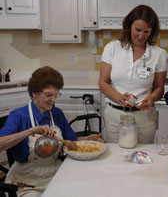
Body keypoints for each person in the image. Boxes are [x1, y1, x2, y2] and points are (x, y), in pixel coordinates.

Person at [0, 66, 102, 197]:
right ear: (34, 93)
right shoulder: (19, 116)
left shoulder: (56, 113)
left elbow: (70, 141)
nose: (53, 100)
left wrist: (88, 139)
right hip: (26, 178)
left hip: (55, 173)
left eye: (56, 95)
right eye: (48, 95)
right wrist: (30, 131)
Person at [99, 5, 168, 143]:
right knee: (115, 158)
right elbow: (103, 82)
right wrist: (119, 97)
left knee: (142, 158)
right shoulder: (112, 48)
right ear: (129, 26)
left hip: (144, 118)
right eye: (137, 30)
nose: (141, 36)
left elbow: (159, 88)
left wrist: (152, 98)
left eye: (146, 32)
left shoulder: (159, 54)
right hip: (114, 116)